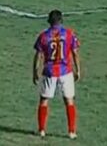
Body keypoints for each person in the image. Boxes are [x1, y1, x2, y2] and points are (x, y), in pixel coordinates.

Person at [33, 10, 81, 140]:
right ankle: (71, 132)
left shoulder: (43, 36)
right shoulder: (69, 34)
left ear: (49, 21)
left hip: (49, 72)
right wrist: (78, 70)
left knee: (44, 100)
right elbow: (75, 53)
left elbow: (38, 55)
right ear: (61, 20)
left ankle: (41, 130)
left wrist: (35, 71)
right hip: (66, 71)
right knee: (69, 100)